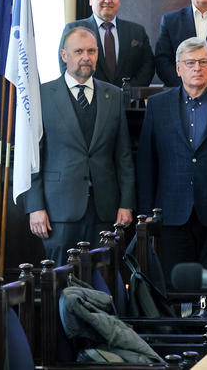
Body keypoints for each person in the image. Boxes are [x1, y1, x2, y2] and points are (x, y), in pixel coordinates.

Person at [137, 38, 207, 278]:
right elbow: (147, 161)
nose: (197, 68)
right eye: (190, 63)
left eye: (203, 62)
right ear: (178, 69)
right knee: (177, 288)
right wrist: (146, 210)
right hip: (171, 212)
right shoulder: (157, 105)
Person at [22, 26, 134, 267]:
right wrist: (35, 207)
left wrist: (126, 203)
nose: (86, 57)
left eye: (92, 51)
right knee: (61, 288)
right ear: (64, 55)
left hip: (105, 212)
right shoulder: (41, 96)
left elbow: (123, 156)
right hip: (57, 213)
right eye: (79, 51)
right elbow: (32, 158)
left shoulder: (113, 96)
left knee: (104, 287)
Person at [59, 0, 154, 88]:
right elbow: (66, 65)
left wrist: (123, 94)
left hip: (129, 101)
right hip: (88, 100)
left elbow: (148, 66)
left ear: (119, 1)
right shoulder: (73, 30)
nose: (108, 0)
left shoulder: (137, 31)